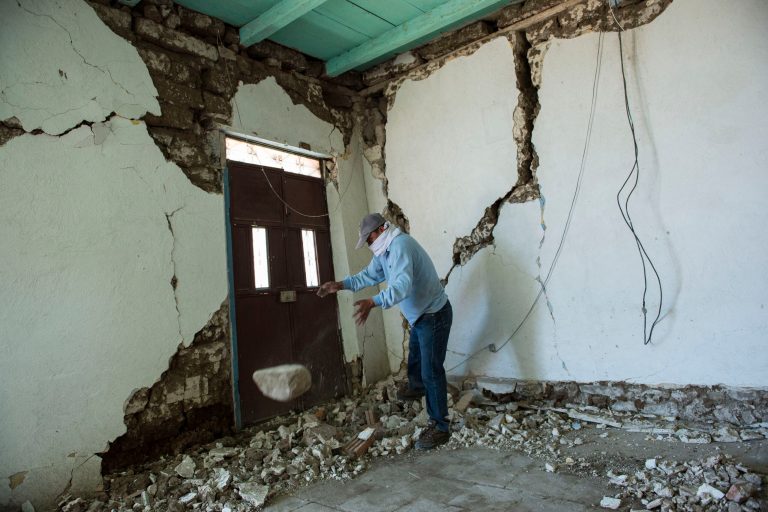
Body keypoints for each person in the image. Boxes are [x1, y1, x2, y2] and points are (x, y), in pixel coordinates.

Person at [317, 213, 453, 450]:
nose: (369, 245)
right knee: (416, 356)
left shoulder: (400, 246)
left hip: (434, 315)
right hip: (421, 316)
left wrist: (373, 302)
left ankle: (440, 426)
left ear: (381, 230)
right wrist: (341, 285)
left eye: (369, 240)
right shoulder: (385, 250)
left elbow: (401, 287)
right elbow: (369, 275)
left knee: (431, 370)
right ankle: (417, 386)